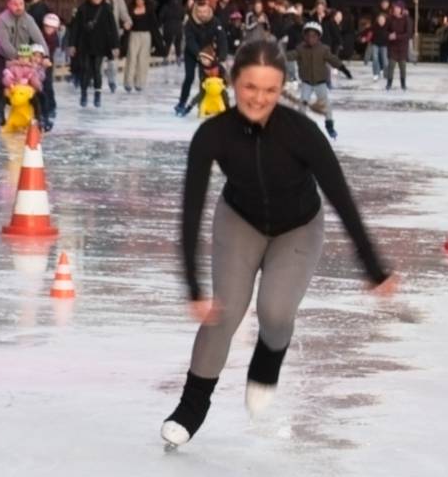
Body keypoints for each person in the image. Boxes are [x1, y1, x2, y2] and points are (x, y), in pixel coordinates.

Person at [164, 41, 396, 448]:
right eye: (251, 87)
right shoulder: (212, 135)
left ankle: (267, 364)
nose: (259, 98)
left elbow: (341, 197)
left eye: (270, 90)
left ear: (281, 89)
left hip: (298, 228)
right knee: (224, 312)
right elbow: (191, 209)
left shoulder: (301, 132)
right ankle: (191, 407)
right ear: (234, 82)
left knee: (275, 310)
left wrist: (372, 267)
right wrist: (193, 287)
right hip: (239, 221)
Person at [287, 23, 352, 138]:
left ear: (318, 37)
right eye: (308, 36)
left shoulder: (323, 49)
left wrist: (343, 69)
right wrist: (276, 56)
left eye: (314, 36)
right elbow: (290, 55)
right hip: (306, 82)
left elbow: (333, 59)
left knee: (326, 106)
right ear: (304, 36)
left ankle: (330, 126)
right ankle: (300, 125)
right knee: (303, 103)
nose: (311, 38)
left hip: (320, 83)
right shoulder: (300, 49)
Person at [0, 0, 45, 129]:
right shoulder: (2, 19)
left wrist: (46, 56)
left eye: (21, 4)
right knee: (0, 85)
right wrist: (17, 59)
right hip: (3, 55)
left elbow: (39, 38)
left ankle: (40, 116)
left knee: (36, 87)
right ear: (9, 5)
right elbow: (5, 42)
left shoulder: (28, 19)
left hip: (24, 57)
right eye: (15, 4)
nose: (19, 7)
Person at [70, 0, 118, 108]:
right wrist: (72, 44)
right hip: (84, 43)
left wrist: (115, 45)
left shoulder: (106, 9)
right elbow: (75, 27)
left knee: (97, 70)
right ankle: (84, 94)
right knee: (85, 69)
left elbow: (112, 27)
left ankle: (97, 95)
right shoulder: (83, 8)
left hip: (100, 44)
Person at [125, 0, 157, 94]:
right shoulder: (131, 10)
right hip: (134, 35)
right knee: (132, 58)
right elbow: (127, 22)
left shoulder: (149, 10)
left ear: (144, 0)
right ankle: (128, 82)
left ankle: (139, 83)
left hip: (146, 35)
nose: (139, 1)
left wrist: (155, 42)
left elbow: (154, 25)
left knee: (142, 59)